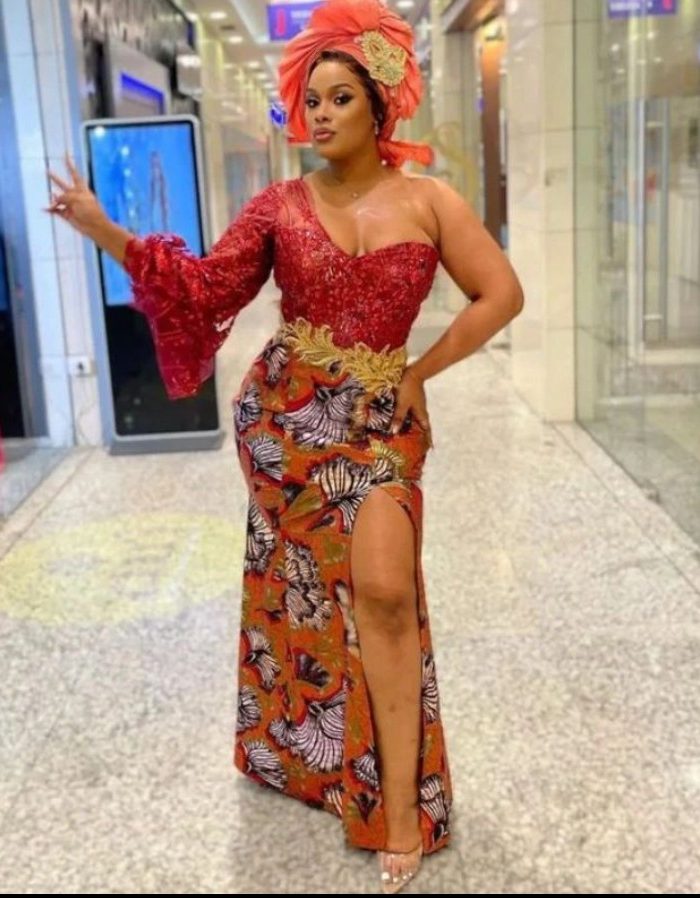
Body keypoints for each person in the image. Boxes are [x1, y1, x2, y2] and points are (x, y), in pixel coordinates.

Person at [46, 1, 524, 891]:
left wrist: (418, 373)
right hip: (287, 422)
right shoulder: (279, 206)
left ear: (379, 107)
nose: (322, 113)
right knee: (302, 594)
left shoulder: (431, 201)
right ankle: (313, 754)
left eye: (341, 98)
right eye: (313, 100)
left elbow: (501, 294)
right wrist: (106, 230)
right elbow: (201, 290)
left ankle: (398, 809)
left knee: (385, 594)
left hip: (379, 422)